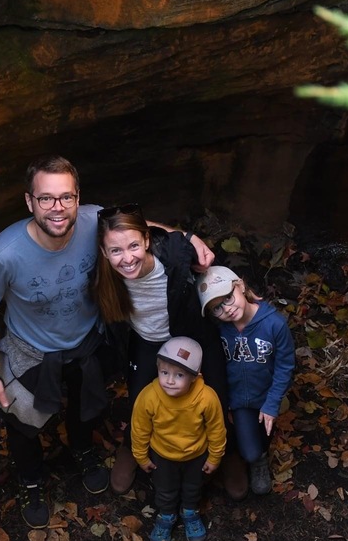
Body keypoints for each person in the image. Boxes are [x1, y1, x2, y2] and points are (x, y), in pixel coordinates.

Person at [0, 156, 214, 528]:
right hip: (31, 348)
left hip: (87, 339)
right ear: (29, 201)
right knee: (21, 420)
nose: (57, 208)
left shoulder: (91, 221)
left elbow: (140, 227)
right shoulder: (4, 254)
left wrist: (189, 237)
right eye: (46, 198)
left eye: (66, 197)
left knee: (85, 403)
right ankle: (31, 479)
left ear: (78, 198)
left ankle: (82, 449)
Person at [93, 205, 247, 498]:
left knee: (215, 394)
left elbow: (214, 274)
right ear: (103, 252)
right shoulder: (105, 278)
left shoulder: (176, 254)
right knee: (139, 398)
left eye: (134, 246)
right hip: (146, 340)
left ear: (147, 240)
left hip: (192, 335)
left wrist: (191, 238)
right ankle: (132, 446)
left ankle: (226, 450)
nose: (127, 258)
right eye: (115, 251)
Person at [197, 266, 296, 495]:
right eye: (217, 308)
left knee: (264, 433)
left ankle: (261, 458)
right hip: (239, 401)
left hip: (266, 396)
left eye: (228, 298)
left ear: (240, 286)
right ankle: (255, 458)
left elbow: (285, 366)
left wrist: (272, 403)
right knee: (249, 451)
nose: (227, 309)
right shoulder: (220, 329)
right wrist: (226, 402)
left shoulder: (275, 324)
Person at [130, 337, 226, 541]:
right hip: (163, 455)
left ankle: (190, 511)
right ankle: (166, 515)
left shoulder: (207, 398)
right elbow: (139, 429)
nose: (170, 381)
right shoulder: (149, 396)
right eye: (164, 372)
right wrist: (141, 456)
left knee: (193, 486)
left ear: (194, 376)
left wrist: (214, 457)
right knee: (165, 488)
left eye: (179, 375)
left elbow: (216, 429)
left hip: (196, 454)